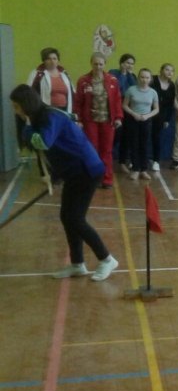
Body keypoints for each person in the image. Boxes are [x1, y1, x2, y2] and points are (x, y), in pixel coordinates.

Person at [10, 85, 119, 281]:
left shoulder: (51, 116)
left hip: (86, 170)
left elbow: (43, 142)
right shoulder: (37, 119)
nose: (15, 111)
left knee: (75, 218)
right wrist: (51, 175)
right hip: (72, 172)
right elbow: (47, 152)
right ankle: (78, 264)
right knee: (67, 217)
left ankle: (107, 259)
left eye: (17, 106)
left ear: (26, 104)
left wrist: (26, 130)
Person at [73, 52, 123, 189]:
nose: (98, 66)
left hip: (108, 120)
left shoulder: (112, 80)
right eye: (95, 64)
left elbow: (117, 100)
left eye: (101, 64)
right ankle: (92, 178)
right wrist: (78, 119)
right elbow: (78, 102)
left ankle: (107, 179)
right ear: (91, 64)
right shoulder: (83, 80)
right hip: (90, 121)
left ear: (105, 64)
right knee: (92, 150)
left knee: (106, 150)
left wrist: (118, 117)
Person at [122, 68, 159, 181]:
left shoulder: (153, 92)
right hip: (133, 121)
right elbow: (124, 105)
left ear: (150, 79)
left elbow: (156, 109)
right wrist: (134, 114)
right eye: (142, 77)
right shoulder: (131, 90)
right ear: (138, 78)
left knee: (144, 145)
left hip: (146, 121)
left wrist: (147, 116)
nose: (144, 80)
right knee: (134, 145)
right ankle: (135, 170)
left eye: (147, 77)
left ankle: (143, 170)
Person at [109, 53, 137, 173]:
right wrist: (124, 73)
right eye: (127, 63)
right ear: (121, 63)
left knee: (126, 137)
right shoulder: (113, 73)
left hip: (128, 110)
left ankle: (122, 162)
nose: (129, 65)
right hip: (115, 110)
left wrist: (129, 74)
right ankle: (106, 159)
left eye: (132, 64)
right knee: (114, 136)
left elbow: (134, 89)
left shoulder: (133, 76)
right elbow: (116, 87)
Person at [27, 47, 74, 114]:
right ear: (44, 60)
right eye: (49, 59)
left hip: (64, 111)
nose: (52, 61)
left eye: (54, 58)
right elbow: (29, 94)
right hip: (46, 111)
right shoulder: (36, 74)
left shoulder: (64, 74)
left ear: (58, 60)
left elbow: (72, 93)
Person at [150, 63, 176, 172]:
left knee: (156, 138)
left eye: (171, 70)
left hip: (161, 116)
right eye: (167, 69)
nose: (169, 72)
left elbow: (170, 104)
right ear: (161, 70)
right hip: (147, 113)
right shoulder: (153, 80)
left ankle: (156, 161)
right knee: (141, 137)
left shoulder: (172, 86)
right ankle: (135, 161)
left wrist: (167, 119)